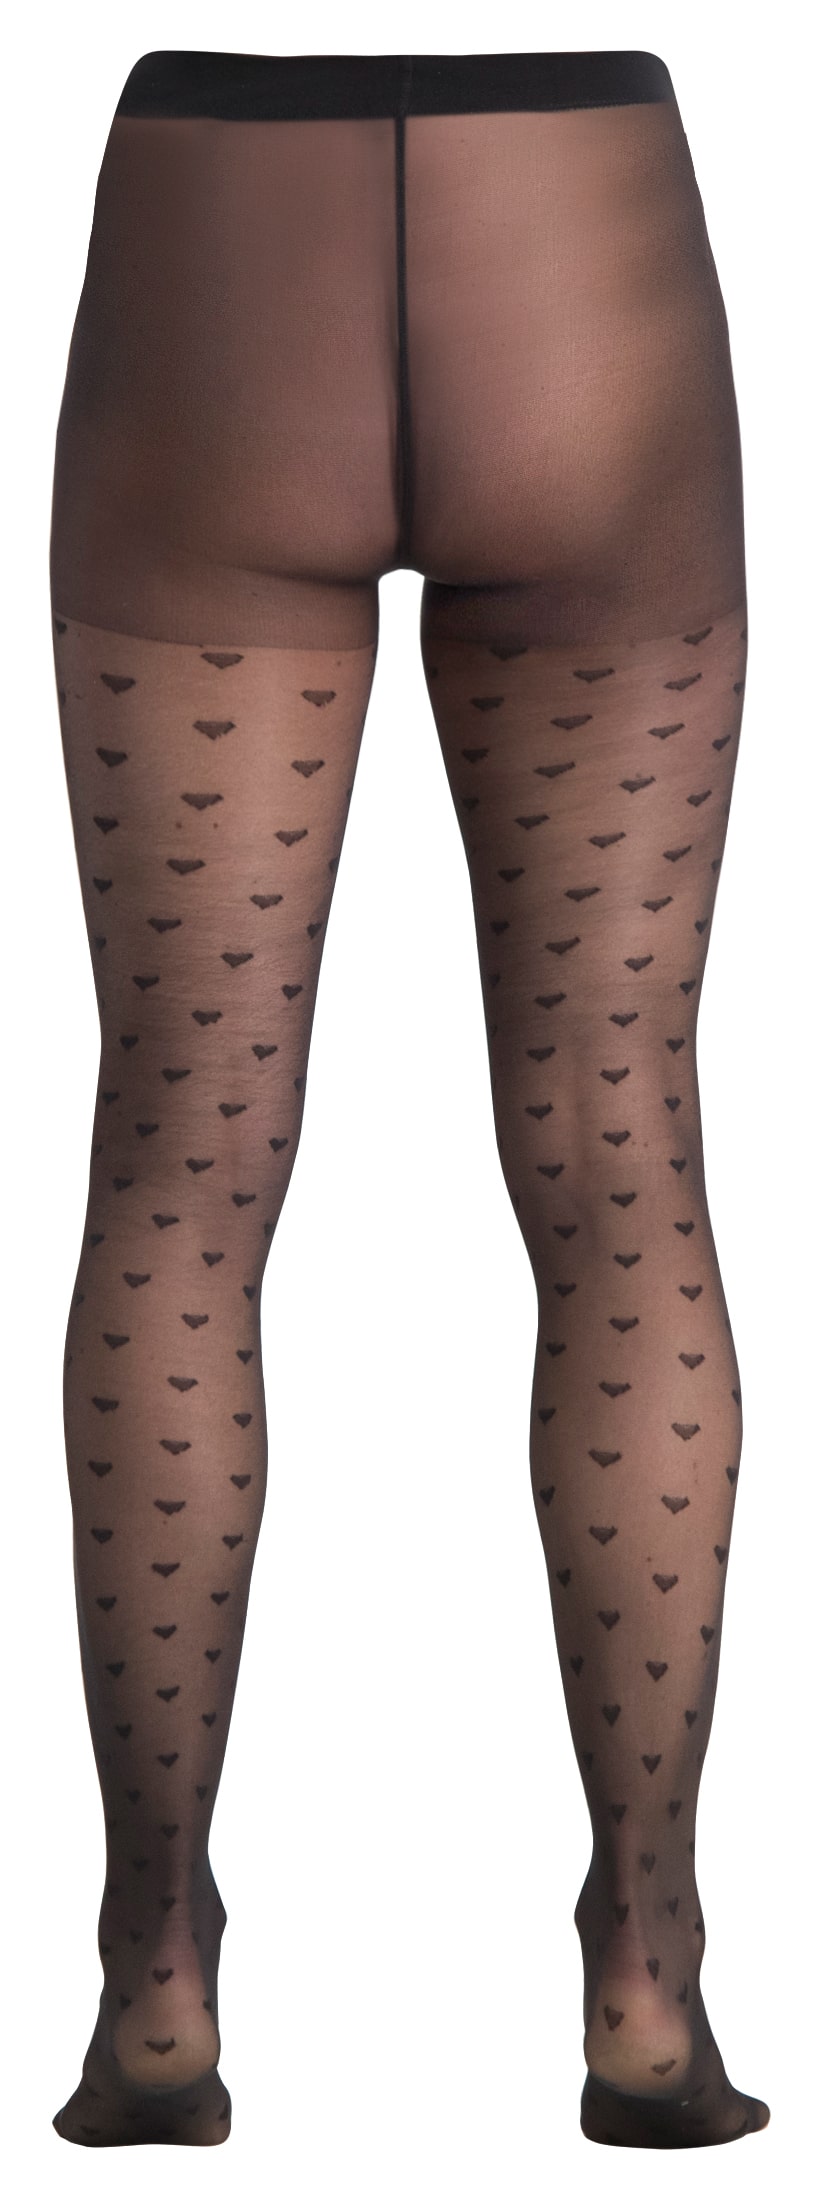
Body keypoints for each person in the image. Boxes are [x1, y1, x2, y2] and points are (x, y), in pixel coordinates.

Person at [49, 47, 768, 2149]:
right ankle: (647, 1977)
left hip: (215, 260)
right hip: (578, 250)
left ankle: (152, 1972)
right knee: (620, 1144)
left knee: (180, 1160)